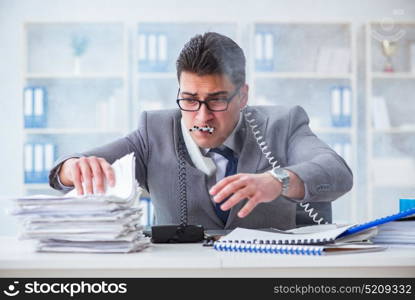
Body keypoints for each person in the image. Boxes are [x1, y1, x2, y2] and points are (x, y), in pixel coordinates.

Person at [49, 32, 353, 230]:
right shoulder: (154, 131)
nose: (202, 116)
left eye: (217, 100)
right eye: (190, 100)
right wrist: (72, 168)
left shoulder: (283, 124)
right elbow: (66, 173)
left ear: (243, 96)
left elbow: (336, 171)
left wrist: (278, 180)